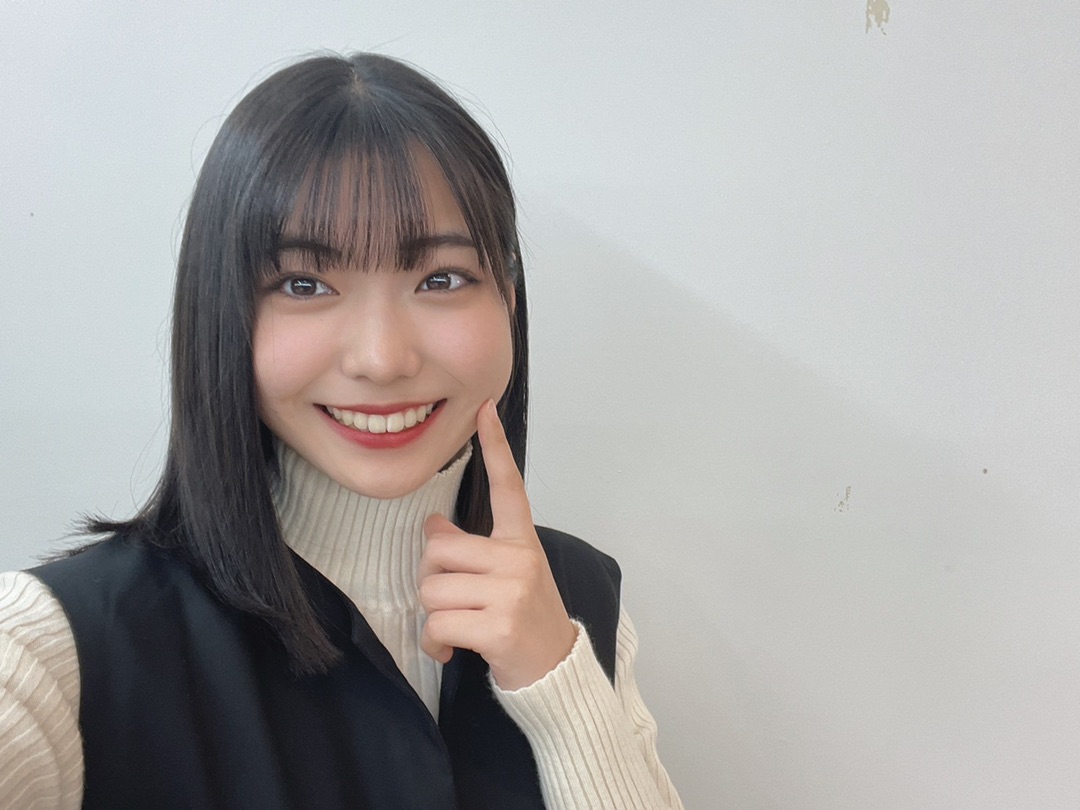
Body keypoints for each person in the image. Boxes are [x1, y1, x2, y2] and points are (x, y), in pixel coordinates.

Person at [0, 52, 684, 809]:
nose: (382, 360)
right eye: (305, 284)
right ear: (222, 311)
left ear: (509, 302)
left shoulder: (576, 601)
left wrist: (561, 688)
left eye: (441, 279)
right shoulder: (57, 647)